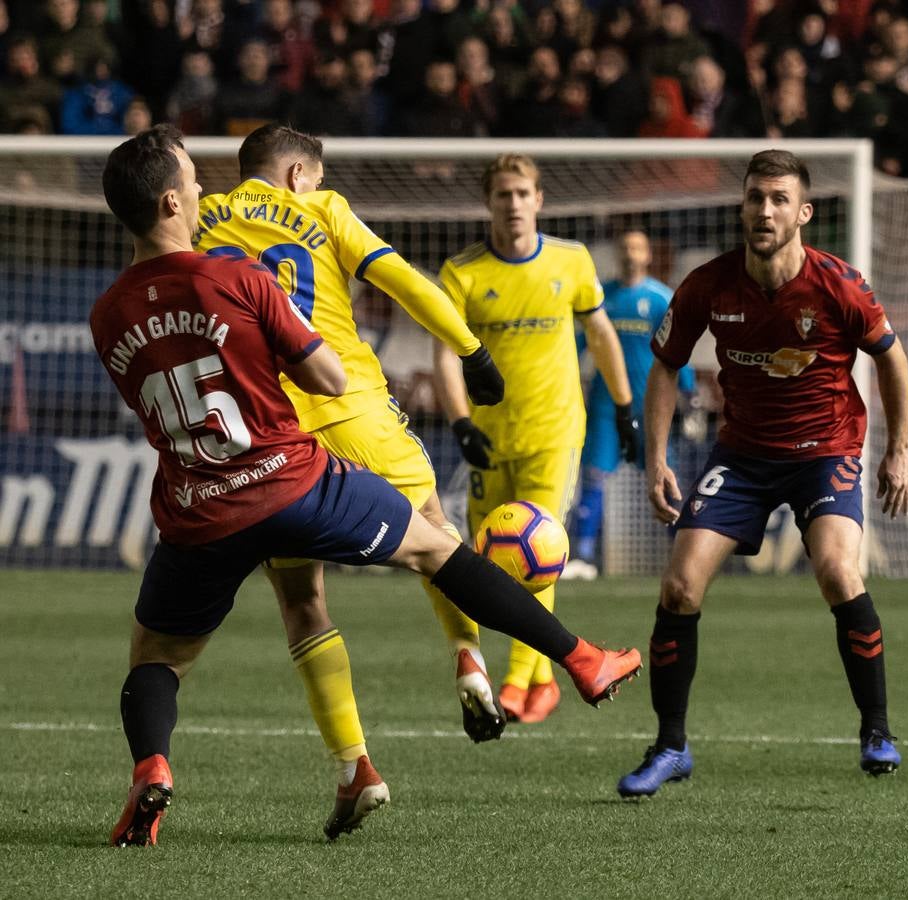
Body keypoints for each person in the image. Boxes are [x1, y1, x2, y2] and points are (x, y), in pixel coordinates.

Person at [97, 126, 642, 847]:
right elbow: (333, 361)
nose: (205, 190)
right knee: (434, 546)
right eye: (193, 182)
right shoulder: (247, 273)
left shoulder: (107, 314)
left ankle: (163, 769)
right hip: (298, 475)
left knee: (163, 655)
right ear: (171, 200)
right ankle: (574, 657)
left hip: (200, 510)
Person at [190, 123, 512, 828]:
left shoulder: (198, 216)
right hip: (355, 409)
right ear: (300, 173)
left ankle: (354, 765)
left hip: (270, 434)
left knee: (302, 600)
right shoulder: (324, 209)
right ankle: (467, 657)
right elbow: (401, 280)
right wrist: (469, 348)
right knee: (434, 535)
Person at [615, 149, 908, 797]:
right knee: (678, 589)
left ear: (802, 213)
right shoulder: (708, 284)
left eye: (779, 199)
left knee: (838, 571)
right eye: (755, 197)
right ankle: (670, 747)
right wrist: (657, 458)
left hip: (825, 452)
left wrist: (899, 448)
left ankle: (876, 730)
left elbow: (890, 358)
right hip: (742, 457)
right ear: (742, 206)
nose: (765, 210)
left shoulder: (839, 284)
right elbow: (664, 364)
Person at [433, 154, 640, 724]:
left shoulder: (572, 262)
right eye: (503, 194)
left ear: (540, 200)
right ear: (489, 202)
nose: (514, 203)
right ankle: (542, 675)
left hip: (555, 431)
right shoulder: (464, 272)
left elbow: (600, 335)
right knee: (488, 562)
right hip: (490, 437)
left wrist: (625, 408)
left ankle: (517, 682)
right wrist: (460, 423)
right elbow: (445, 357)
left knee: (537, 550)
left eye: (523, 193)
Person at [562, 230, 695, 580]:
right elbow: (579, 342)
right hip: (607, 405)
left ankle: (682, 556)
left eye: (637, 247)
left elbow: (677, 350)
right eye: (625, 247)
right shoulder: (602, 296)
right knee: (593, 476)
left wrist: (690, 392)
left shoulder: (660, 298)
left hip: (652, 407)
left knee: (664, 479)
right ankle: (584, 558)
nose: (630, 254)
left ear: (648, 254)